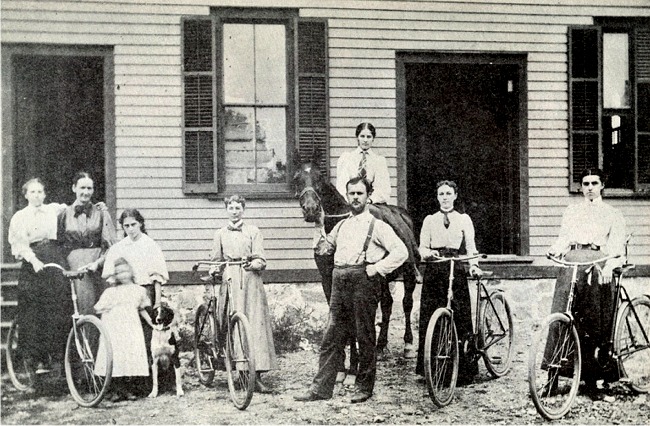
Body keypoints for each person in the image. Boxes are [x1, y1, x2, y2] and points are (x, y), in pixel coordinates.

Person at [294, 177, 408, 404]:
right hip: (340, 281)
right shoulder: (342, 225)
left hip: (363, 281)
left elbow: (401, 252)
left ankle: (364, 387)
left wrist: (377, 269)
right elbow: (325, 249)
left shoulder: (378, 226)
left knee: (364, 335)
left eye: (360, 193)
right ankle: (321, 389)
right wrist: (318, 225)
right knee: (331, 336)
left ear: (367, 197)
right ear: (347, 197)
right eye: (352, 194)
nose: (355, 198)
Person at [546, 168, 626, 399]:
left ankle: (594, 381)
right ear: (580, 187)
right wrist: (556, 249)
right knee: (560, 317)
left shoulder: (612, 213)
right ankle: (552, 377)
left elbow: (616, 247)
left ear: (602, 186)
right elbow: (564, 238)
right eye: (585, 183)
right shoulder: (572, 211)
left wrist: (609, 266)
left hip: (597, 263)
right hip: (571, 264)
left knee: (593, 323)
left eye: (594, 183)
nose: (589, 187)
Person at [416, 180, 482, 385]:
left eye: (448, 193)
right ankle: (432, 368)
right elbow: (422, 248)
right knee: (431, 315)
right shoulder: (429, 220)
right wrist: (428, 254)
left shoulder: (463, 219)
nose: (444, 197)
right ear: (437, 197)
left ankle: (463, 370)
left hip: (456, 266)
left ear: (455, 196)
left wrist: (473, 265)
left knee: (460, 316)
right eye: (441, 194)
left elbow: (470, 247)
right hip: (435, 269)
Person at [210, 195, 277, 393]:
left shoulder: (253, 231)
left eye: (238, 207)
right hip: (230, 277)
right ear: (226, 210)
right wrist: (214, 269)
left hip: (250, 279)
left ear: (243, 209)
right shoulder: (220, 233)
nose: (234, 210)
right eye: (230, 207)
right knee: (234, 324)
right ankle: (239, 371)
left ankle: (256, 375)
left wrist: (253, 264)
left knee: (255, 325)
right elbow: (215, 259)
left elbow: (261, 258)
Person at [335, 122, 420, 279]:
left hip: (372, 202)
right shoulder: (347, 158)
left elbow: (384, 189)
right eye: (362, 136)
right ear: (357, 138)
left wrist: (369, 200)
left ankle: (409, 258)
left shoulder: (379, 160)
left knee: (394, 220)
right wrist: (351, 199)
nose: (365, 140)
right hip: (351, 201)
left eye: (369, 137)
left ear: (373, 139)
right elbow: (341, 184)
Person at [7, 178, 73, 374]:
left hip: (53, 257)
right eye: (33, 192)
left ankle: (59, 358)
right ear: (26, 194)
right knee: (33, 310)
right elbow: (19, 243)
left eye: (40, 192)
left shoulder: (53, 209)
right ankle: (35, 359)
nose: (37, 195)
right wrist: (33, 260)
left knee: (58, 306)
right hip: (32, 261)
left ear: (45, 194)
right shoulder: (20, 217)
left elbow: (72, 206)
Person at [94, 257, 154, 402]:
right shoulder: (111, 292)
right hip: (115, 328)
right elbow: (99, 309)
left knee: (131, 355)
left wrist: (153, 324)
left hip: (132, 327)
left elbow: (142, 309)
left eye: (125, 271)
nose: (123, 275)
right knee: (117, 355)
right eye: (119, 272)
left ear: (131, 271)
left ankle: (129, 390)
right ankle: (116, 390)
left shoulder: (139, 290)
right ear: (115, 275)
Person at [58, 171, 116, 314]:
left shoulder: (101, 212)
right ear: (74, 188)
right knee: (82, 306)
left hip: (98, 264)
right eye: (82, 188)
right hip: (74, 266)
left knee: (102, 306)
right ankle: (82, 336)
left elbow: (111, 245)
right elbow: (59, 244)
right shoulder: (64, 214)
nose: (85, 192)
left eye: (89, 188)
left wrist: (99, 262)